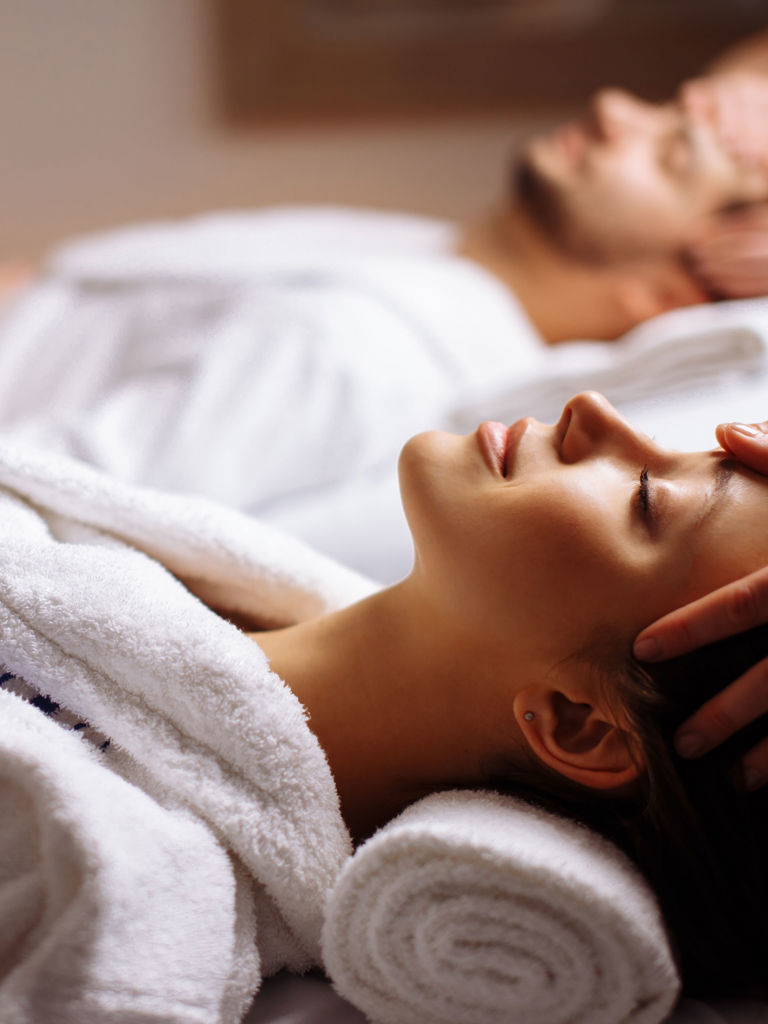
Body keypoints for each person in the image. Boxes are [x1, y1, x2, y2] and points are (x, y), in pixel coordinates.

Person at [248, 389, 768, 1000]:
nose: (592, 409)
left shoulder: (130, 851)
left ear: (581, 725)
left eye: (646, 494)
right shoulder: (176, 579)